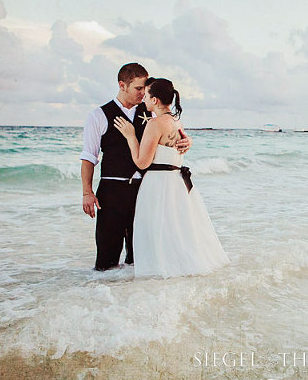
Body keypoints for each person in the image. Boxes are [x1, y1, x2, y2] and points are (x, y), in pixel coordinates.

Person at [113, 78, 229, 277]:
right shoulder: (176, 121)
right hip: (176, 181)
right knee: (175, 227)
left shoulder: (155, 124)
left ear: (155, 100)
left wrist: (131, 136)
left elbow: (142, 163)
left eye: (147, 96)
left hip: (158, 183)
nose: (144, 100)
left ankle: (160, 270)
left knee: (157, 228)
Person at [80, 63, 191, 271]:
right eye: (138, 88)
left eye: (145, 89)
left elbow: (171, 130)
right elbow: (89, 156)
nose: (143, 93)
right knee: (107, 258)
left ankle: (136, 298)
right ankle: (105, 298)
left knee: (141, 256)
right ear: (122, 85)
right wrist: (87, 192)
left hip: (145, 191)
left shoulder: (152, 111)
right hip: (111, 192)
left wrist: (187, 141)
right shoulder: (98, 115)